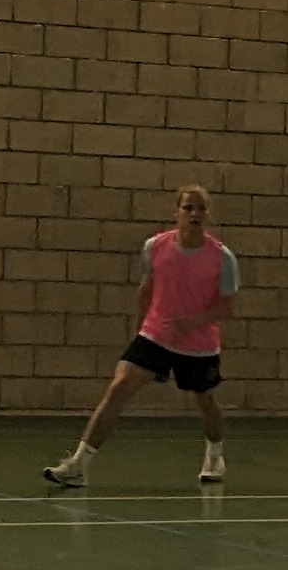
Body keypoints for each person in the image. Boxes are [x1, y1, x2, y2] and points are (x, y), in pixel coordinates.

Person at [43, 186, 235, 490]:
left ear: (207, 214)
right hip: (154, 336)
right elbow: (145, 290)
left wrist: (192, 322)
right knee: (117, 389)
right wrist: (141, 330)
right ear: (177, 212)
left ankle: (214, 455)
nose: (194, 214)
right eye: (188, 208)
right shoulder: (155, 247)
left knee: (206, 400)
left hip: (198, 345)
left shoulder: (221, 257)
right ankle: (78, 466)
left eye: (200, 209)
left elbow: (226, 306)